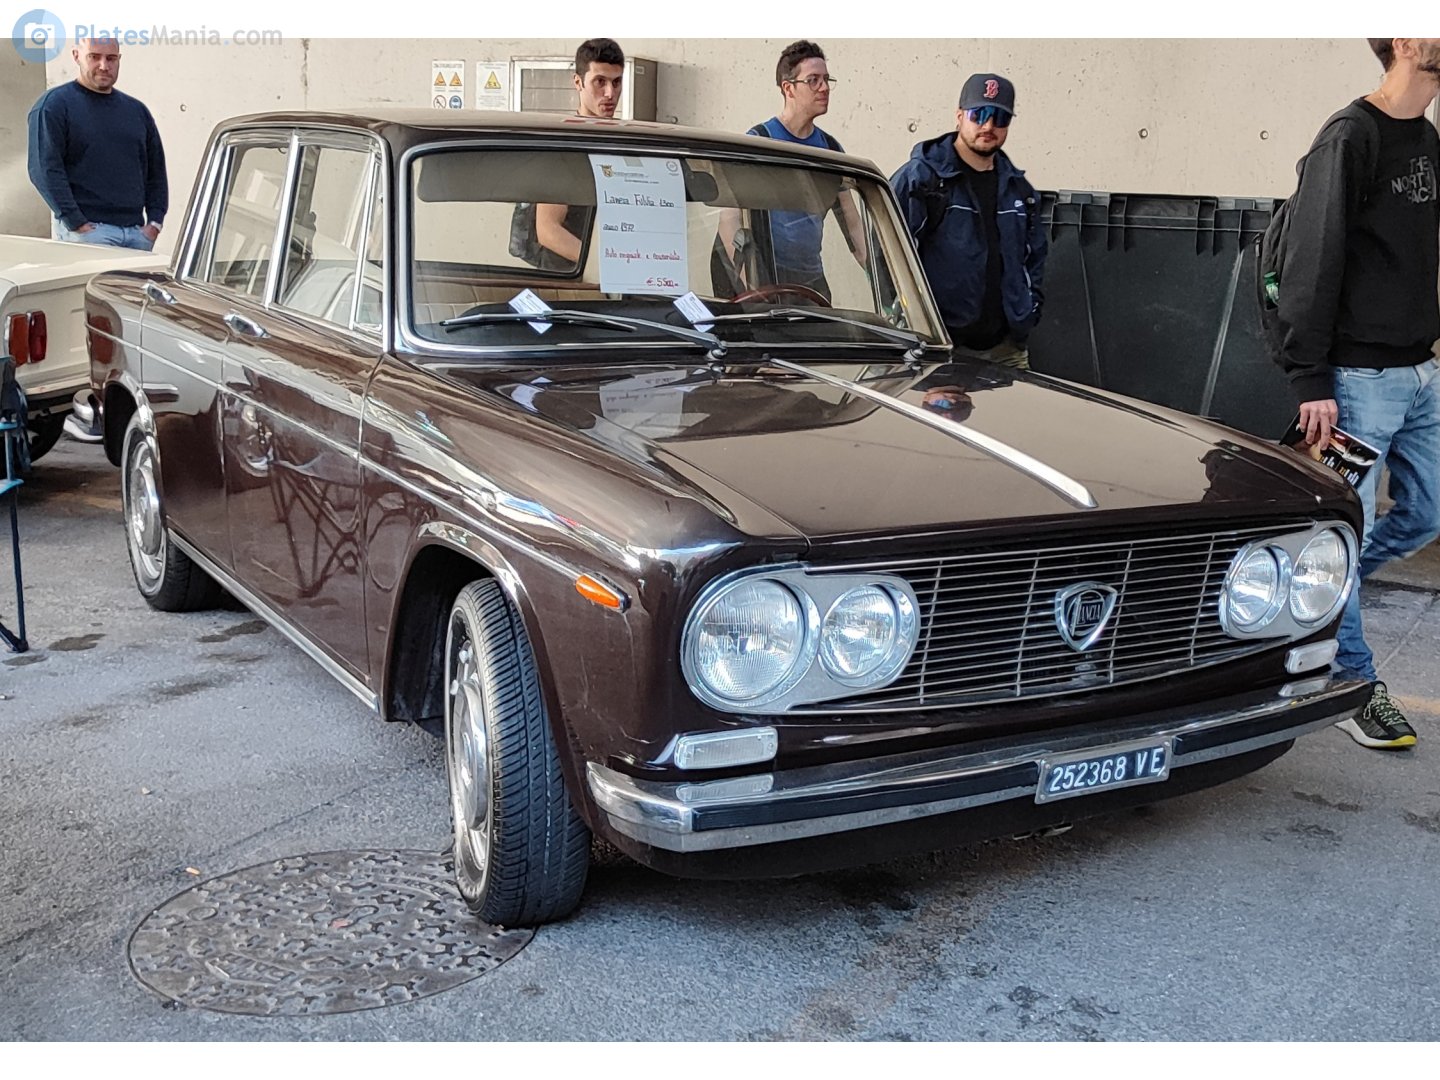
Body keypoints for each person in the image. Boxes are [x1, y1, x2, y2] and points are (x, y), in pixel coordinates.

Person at [1270, 37, 1440, 750]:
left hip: (1419, 372)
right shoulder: (1350, 136)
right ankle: (1354, 685)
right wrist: (1310, 378)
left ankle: (1313, 596)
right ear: (1403, 41)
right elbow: (1311, 261)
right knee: (1351, 524)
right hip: (1357, 380)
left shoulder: (1425, 137)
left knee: (1427, 512)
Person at [889, 73, 1045, 370]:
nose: (988, 126)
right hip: (939, 351)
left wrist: (1028, 311)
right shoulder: (922, 179)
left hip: (1007, 351)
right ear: (959, 116)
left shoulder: (1018, 189)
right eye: (979, 114)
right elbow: (884, 255)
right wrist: (912, 329)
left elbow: (1034, 257)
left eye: (1000, 117)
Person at [721, 40, 868, 299]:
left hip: (812, 283)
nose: (824, 88)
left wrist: (888, 289)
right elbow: (729, 221)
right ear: (788, 88)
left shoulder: (830, 149)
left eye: (826, 79)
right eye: (813, 80)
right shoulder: (759, 143)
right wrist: (751, 290)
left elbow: (852, 224)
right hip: (766, 282)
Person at [27, 35, 167, 251]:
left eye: (111, 58)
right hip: (87, 233)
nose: (104, 66)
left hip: (137, 234)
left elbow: (156, 171)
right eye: (94, 57)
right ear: (76, 56)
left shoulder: (137, 111)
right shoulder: (54, 106)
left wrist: (155, 222)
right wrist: (76, 222)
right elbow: (44, 170)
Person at [534, 37, 626, 266]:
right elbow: (548, 229)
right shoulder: (565, 147)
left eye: (616, 82)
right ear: (578, 82)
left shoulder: (626, 143)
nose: (610, 93)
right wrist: (609, 263)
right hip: (568, 277)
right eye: (600, 82)